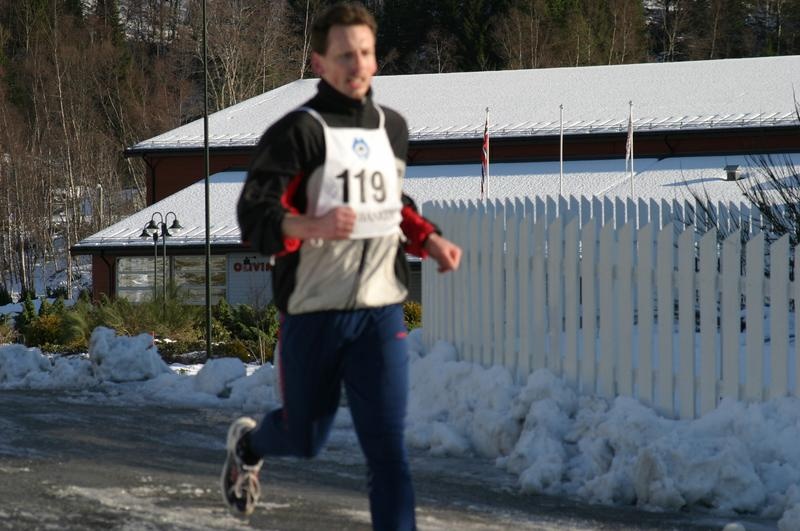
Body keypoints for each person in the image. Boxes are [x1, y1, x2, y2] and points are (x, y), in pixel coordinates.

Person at [221, 2, 462, 529]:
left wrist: (429, 239)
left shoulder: (392, 128)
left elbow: (392, 203)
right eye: (345, 55)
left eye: (366, 53)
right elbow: (254, 216)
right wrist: (313, 225)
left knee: (389, 452)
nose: (358, 65)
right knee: (305, 439)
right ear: (319, 63)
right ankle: (250, 445)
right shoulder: (297, 133)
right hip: (314, 312)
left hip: (380, 311)